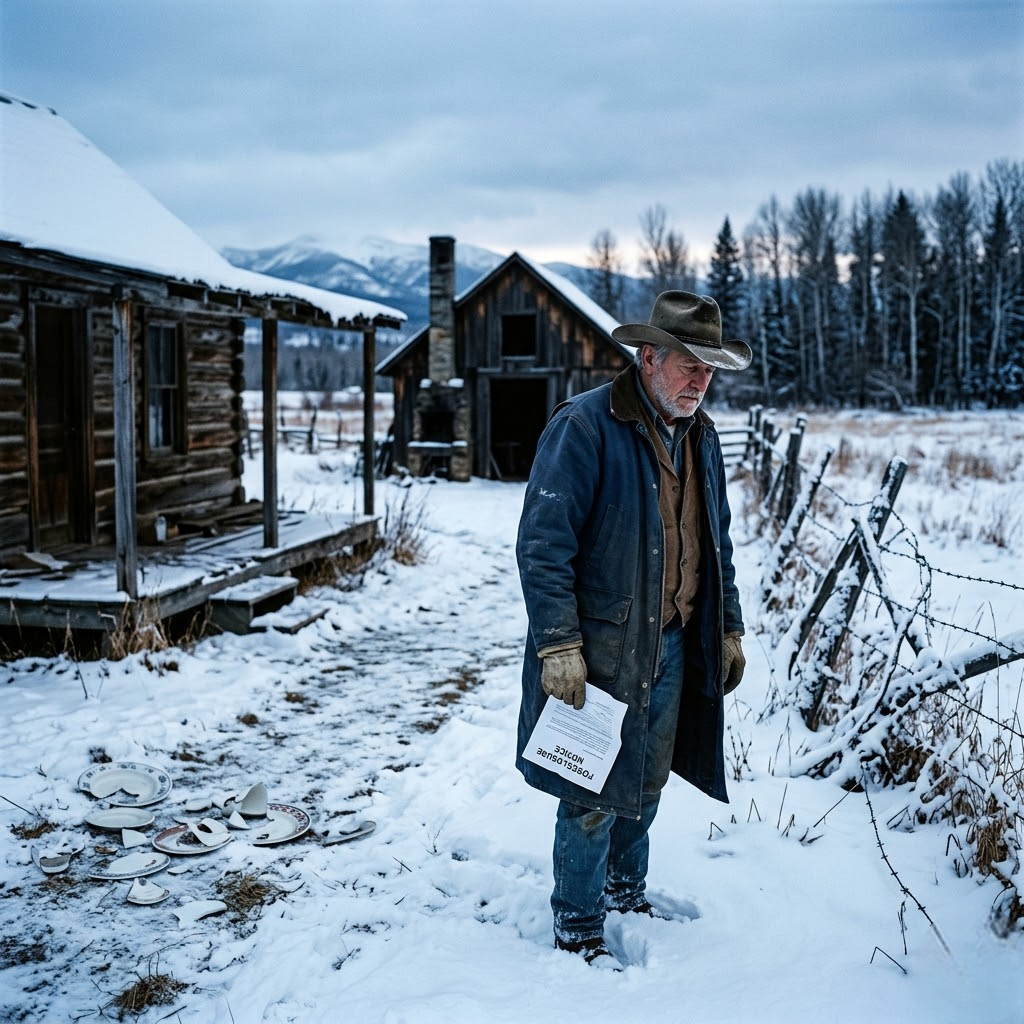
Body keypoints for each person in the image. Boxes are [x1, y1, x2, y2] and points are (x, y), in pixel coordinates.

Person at [515, 289, 751, 969]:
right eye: (688, 365)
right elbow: (543, 545)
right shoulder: (585, 426)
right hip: (600, 651)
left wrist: (728, 628)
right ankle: (578, 925)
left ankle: (625, 892)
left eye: (708, 370)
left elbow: (717, 544)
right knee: (589, 792)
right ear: (648, 357)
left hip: (672, 642)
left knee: (646, 781)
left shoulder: (702, 437)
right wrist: (559, 644)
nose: (700, 381)